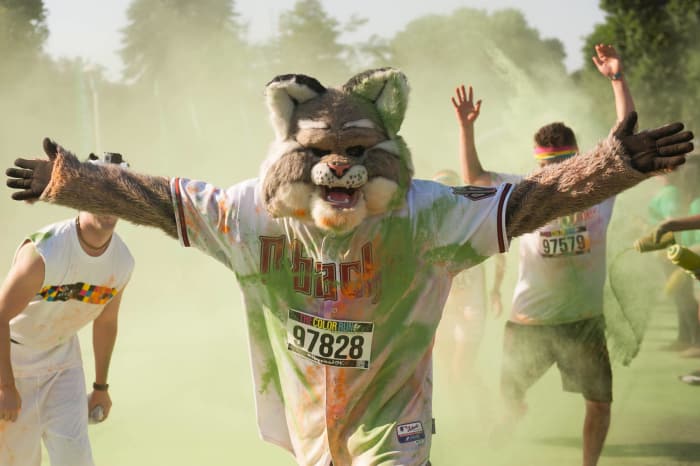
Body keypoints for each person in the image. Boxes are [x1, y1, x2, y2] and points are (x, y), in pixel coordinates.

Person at [4, 67, 691, 465]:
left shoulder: (425, 214)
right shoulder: (254, 214)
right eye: (320, 152)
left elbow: (530, 200)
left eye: (359, 150)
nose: (340, 165)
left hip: (396, 418)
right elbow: (159, 198)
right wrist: (72, 179)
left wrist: (615, 163)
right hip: (310, 426)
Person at [454, 44, 635, 466]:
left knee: (600, 404)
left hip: (584, 322)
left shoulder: (600, 189)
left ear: (579, 164)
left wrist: (617, 78)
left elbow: (624, 137)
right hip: (528, 323)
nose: (557, 179)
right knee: (511, 398)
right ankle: (511, 415)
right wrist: (466, 129)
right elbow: (474, 179)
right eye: (548, 170)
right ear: (538, 168)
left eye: (564, 167)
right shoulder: (529, 191)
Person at [0, 153, 134, 466]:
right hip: (14, 363)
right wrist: (5, 385)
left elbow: (106, 322)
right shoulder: (45, 252)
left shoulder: (122, 261)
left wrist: (101, 388)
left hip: (63, 365)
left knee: (76, 460)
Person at [432, 169, 506, 382]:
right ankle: (468, 412)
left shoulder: (475, 222)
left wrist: (496, 291)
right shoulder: (429, 224)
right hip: (442, 308)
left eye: (451, 189)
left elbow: (500, 253)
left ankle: (489, 413)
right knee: (448, 373)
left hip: (471, 308)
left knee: (460, 370)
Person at [646, 157, 700, 353]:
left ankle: (695, 341)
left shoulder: (681, 197)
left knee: (687, 296)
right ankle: (687, 339)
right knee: (683, 296)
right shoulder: (688, 199)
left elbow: (672, 221)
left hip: (685, 255)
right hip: (682, 253)